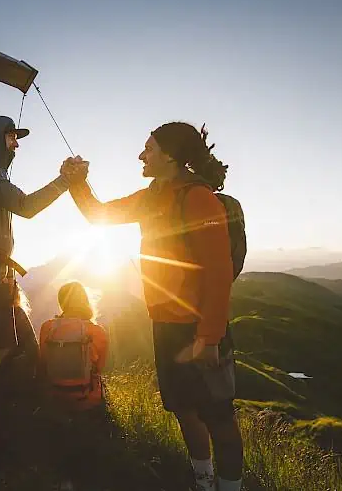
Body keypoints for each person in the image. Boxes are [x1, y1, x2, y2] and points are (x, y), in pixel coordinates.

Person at [65, 122, 243, 491]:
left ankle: (229, 486)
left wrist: (210, 337)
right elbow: (98, 214)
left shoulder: (198, 199)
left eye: (148, 148)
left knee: (219, 418)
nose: (141, 155)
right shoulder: (151, 196)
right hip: (165, 325)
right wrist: (76, 183)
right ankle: (203, 480)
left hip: (199, 327)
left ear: (171, 156)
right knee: (184, 409)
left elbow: (219, 272)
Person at [0, 113, 74, 482]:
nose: (17, 144)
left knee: (19, 344)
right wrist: (65, 181)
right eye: (11, 137)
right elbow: (26, 207)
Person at [36, 280, 113, 491]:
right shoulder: (97, 331)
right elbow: (100, 368)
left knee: (59, 432)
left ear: (62, 303)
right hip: (86, 399)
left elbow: (42, 363)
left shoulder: (47, 328)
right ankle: (90, 472)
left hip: (54, 397)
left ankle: (62, 477)